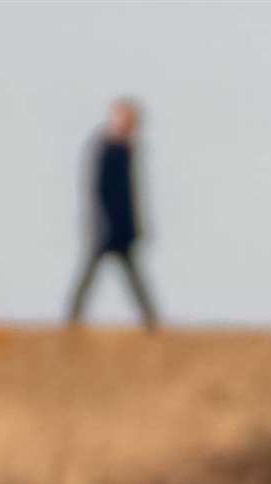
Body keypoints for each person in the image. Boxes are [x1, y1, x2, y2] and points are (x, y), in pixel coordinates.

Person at [67, 99, 158, 329]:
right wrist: (103, 224)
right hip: (105, 227)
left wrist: (134, 225)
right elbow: (99, 191)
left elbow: (131, 195)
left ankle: (152, 322)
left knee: (133, 279)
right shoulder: (106, 149)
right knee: (91, 276)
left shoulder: (127, 149)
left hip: (123, 229)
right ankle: (72, 320)